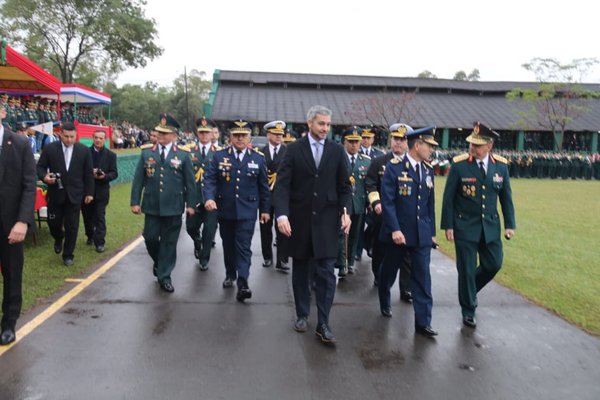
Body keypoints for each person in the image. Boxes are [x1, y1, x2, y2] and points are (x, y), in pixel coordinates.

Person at [274, 105, 352, 345]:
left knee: (327, 273)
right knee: (301, 270)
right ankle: (302, 314)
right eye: (321, 124)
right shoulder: (293, 150)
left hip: (328, 222)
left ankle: (324, 323)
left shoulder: (337, 151)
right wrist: (282, 216)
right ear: (309, 123)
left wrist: (346, 211)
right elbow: (283, 185)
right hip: (300, 221)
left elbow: (344, 187)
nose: (325, 129)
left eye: (328, 125)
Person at [441, 121, 516, 328]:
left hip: (490, 226)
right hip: (464, 226)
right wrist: (448, 225)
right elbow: (448, 199)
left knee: (494, 263)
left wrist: (510, 224)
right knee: (465, 269)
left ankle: (469, 289)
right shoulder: (460, 165)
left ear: (489, 146)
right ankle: (469, 309)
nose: (472, 148)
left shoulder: (500, 166)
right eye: (471, 144)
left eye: (477, 145)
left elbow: (506, 197)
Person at [378, 127, 439, 337]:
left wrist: (431, 232)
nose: (431, 150)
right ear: (417, 145)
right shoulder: (394, 168)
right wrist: (394, 229)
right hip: (399, 234)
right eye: (429, 145)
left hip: (421, 235)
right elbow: (388, 202)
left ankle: (423, 322)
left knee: (422, 278)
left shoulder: (428, 170)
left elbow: (430, 204)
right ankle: (384, 297)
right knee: (389, 271)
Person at [203, 119, 270, 301]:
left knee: (244, 246)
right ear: (230, 137)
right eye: (236, 135)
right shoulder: (219, 156)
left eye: (243, 135)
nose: (240, 139)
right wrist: (209, 198)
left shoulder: (258, 158)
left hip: (248, 210)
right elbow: (210, 180)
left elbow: (264, 186)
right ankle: (230, 273)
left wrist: (265, 210)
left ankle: (243, 282)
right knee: (228, 244)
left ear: (249, 137)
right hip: (225, 209)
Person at [130, 114, 196, 293]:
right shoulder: (146, 153)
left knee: (169, 242)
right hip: (151, 205)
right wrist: (135, 201)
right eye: (158, 132)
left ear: (174, 136)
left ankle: (165, 276)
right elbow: (138, 180)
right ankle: (160, 262)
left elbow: (190, 183)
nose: (159, 135)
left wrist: (191, 204)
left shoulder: (183, 155)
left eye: (164, 133)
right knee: (150, 237)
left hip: (174, 206)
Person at [0, 104, 36, 345]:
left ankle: (8, 323)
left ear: (2, 112)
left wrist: (23, 221)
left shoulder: (20, 144)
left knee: (12, 274)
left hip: (10, 223)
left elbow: (29, 186)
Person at [365, 123, 413, 301]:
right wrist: (376, 202)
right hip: (383, 215)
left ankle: (406, 288)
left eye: (402, 139)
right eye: (395, 139)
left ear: (408, 142)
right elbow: (370, 183)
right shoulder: (379, 162)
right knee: (380, 248)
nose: (398, 143)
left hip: (406, 216)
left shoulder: (412, 163)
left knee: (407, 253)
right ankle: (379, 275)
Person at [36, 122, 94, 267]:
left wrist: (89, 193)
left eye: (72, 137)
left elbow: (88, 174)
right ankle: (58, 237)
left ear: (76, 136)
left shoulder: (84, 151)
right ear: (60, 134)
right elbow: (40, 167)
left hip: (75, 195)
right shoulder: (50, 149)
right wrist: (44, 177)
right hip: (55, 193)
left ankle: (68, 254)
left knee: (72, 226)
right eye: (66, 136)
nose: (69, 140)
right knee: (53, 223)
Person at [185, 117, 221, 270]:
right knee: (191, 227)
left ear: (212, 133)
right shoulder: (188, 151)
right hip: (194, 198)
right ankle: (197, 241)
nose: (204, 135)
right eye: (201, 132)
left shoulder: (219, 153)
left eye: (207, 132)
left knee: (209, 230)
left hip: (212, 199)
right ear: (197, 133)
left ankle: (204, 259)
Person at [336, 126, 371, 277]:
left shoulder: (367, 161)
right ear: (345, 142)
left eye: (357, 141)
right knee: (341, 233)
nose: (354, 145)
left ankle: (350, 262)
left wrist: (369, 202)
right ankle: (342, 263)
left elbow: (368, 184)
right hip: (342, 204)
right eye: (351, 141)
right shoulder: (338, 158)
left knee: (355, 234)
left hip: (359, 203)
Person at [259, 120, 290, 272]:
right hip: (265, 196)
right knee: (265, 228)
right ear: (268, 135)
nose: (279, 137)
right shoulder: (260, 152)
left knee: (283, 229)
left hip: (282, 196)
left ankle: (282, 259)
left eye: (280, 134)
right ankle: (267, 257)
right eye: (275, 134)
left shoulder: (288, 151)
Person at [81, 129, 118, 253]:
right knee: (87, 216)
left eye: (101, 138)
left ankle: (100, 242)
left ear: (105, 139)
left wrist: (104, 176)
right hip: (86, 191)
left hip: (102, 191)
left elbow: (114, 173)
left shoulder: (111, 155)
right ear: (93, 138)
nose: (98, 140)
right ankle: (90, 235)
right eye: (96, 137)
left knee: (100, 216)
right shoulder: (85, 153)